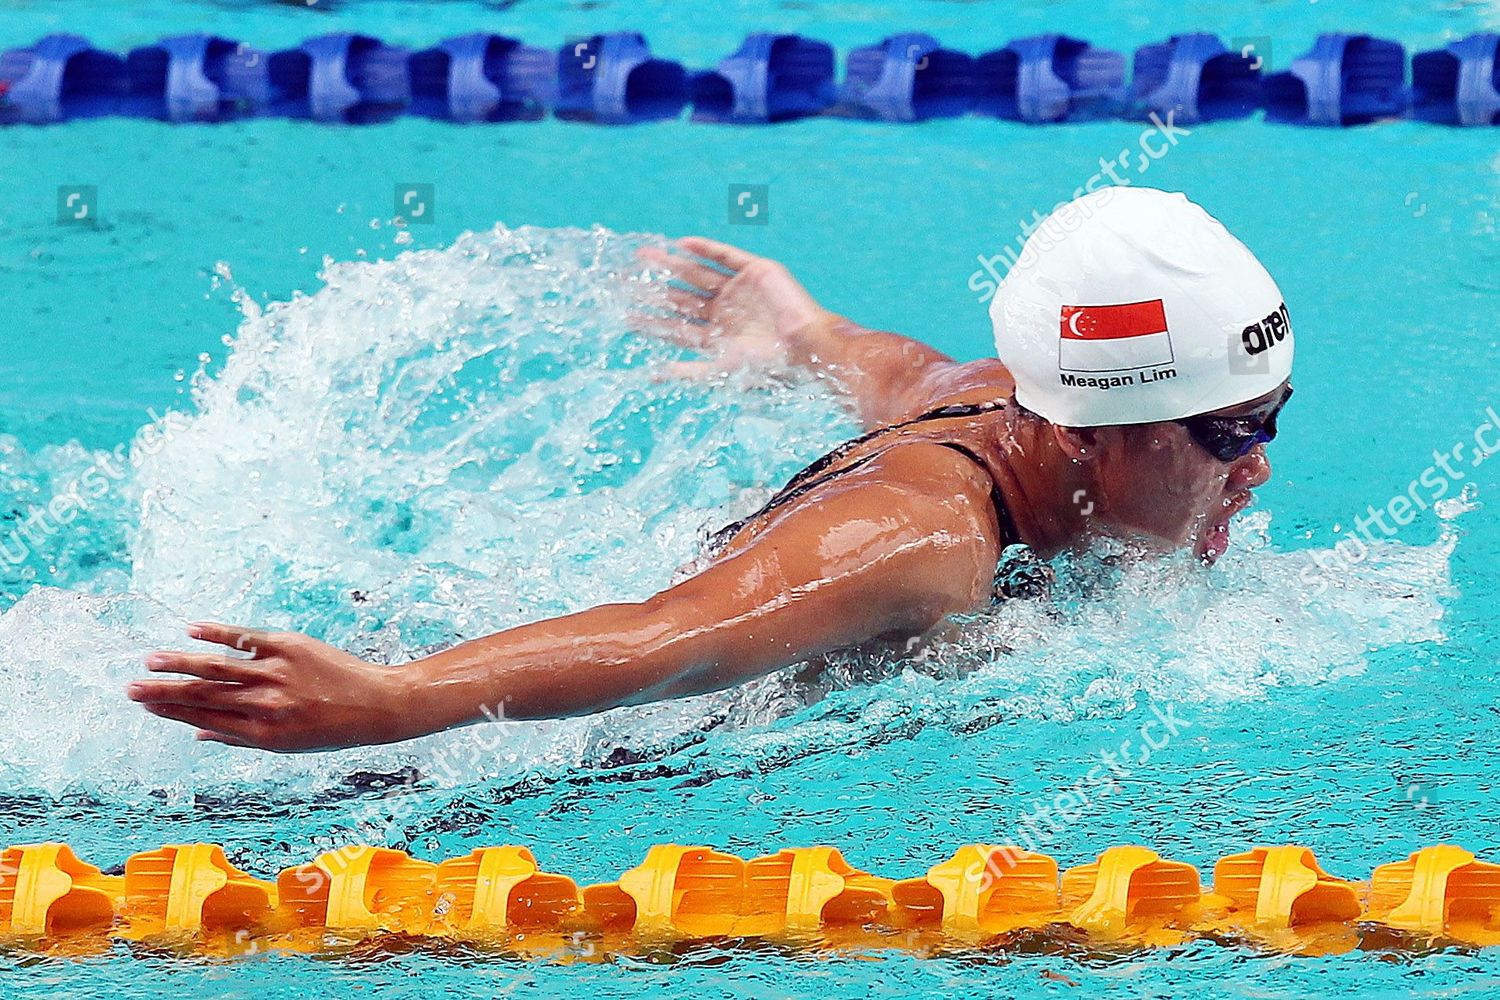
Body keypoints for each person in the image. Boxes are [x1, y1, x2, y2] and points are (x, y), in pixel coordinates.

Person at [127, 187, 1294, 752]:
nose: (1258, 467)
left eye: (1272, 415)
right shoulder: (921, 544)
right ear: (1089, 432)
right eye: (1229, 432)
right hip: (549, 744)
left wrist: (797, 333)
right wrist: (389, 701)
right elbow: (663, 639)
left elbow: (899, 369)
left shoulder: (1001, 396)